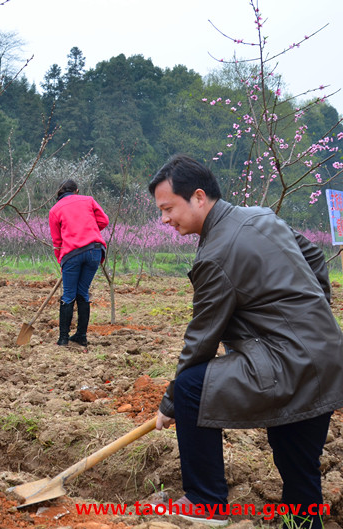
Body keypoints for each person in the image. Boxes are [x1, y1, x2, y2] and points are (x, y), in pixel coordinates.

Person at [148, 154, 343, 527]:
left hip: (289, 363)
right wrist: (315, 316)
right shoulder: (261, 215)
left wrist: (171, 402)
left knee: (190, 387)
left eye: (168, 208)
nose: (165, 220)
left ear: (199, 197)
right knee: (297, 467)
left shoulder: (217, 253)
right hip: (326, 355)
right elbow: (315, 257)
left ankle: (205, 502)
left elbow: (201, 338)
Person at [48, 179, 108, 346]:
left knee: (68, 295)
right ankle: (81, 336)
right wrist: (88, 230)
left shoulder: (55, 210)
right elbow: (104, 221)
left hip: (72, 254)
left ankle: (63, 338)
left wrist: (61, 260)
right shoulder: (88, 200)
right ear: (76, 190)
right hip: (94, 250)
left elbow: (57, 241)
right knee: (83, 292)